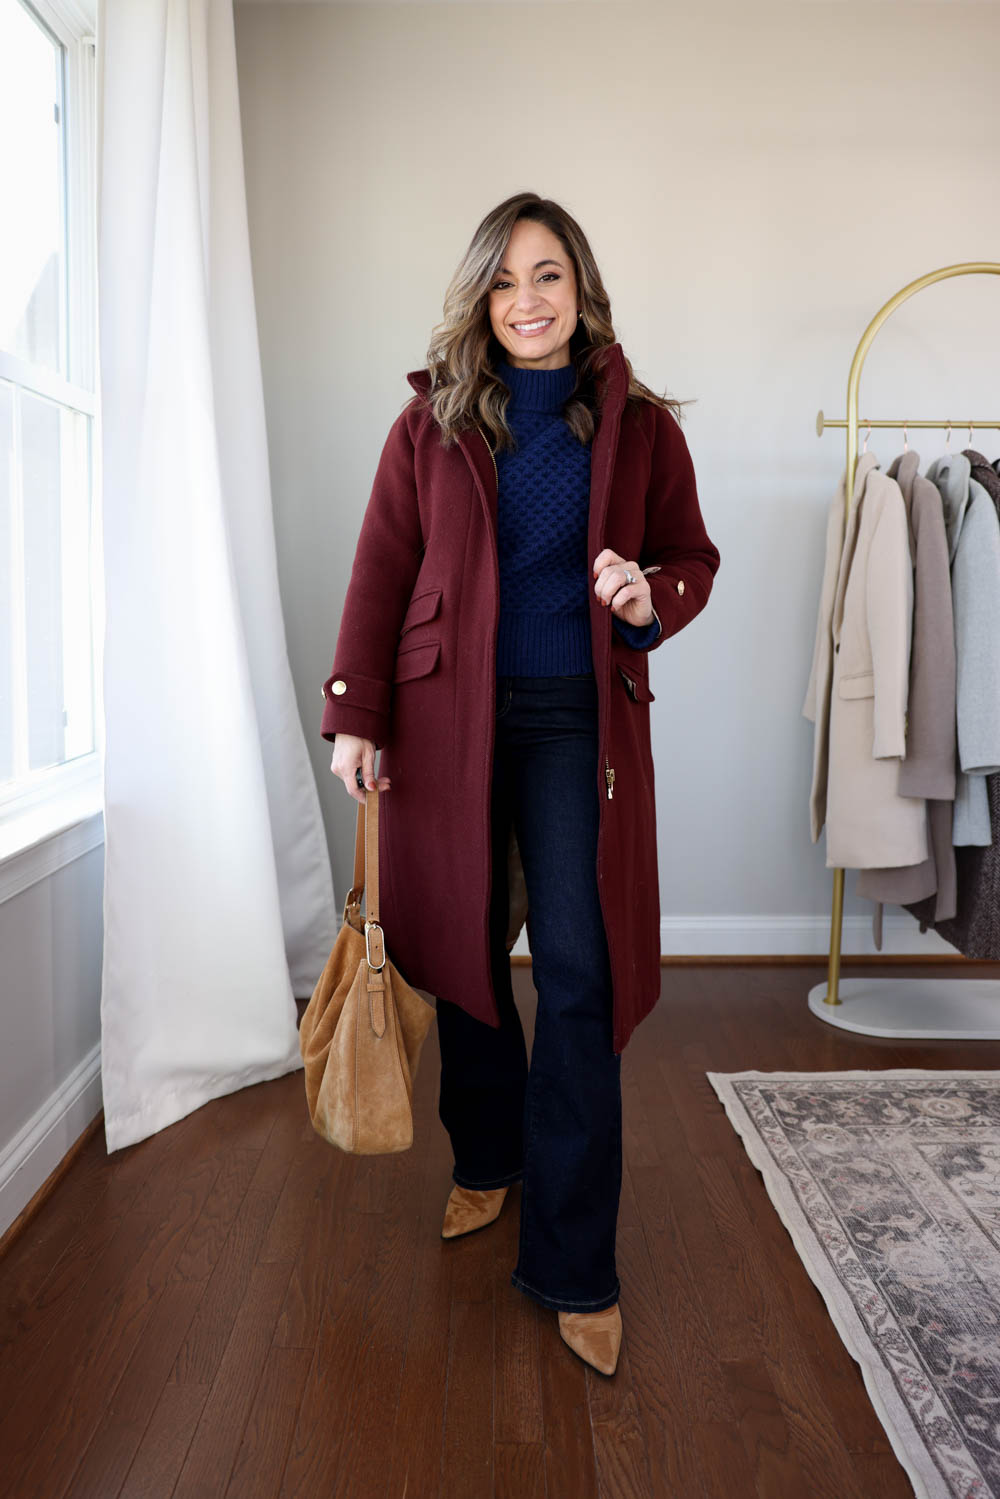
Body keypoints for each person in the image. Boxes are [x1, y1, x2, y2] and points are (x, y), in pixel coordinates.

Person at [322, 192, 720, 1377]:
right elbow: (382, 565)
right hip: (448, 717)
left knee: (581, 976)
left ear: (581, 290)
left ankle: (576, 1261)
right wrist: (357, 713)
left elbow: (689, 558)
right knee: (462, 951)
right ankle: (486, 1159)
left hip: (577, 723)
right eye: (504, 281)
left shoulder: (640, 424)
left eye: (547, 276)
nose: (527, 300)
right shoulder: (431, 421)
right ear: (480, 299)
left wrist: (650, 598)